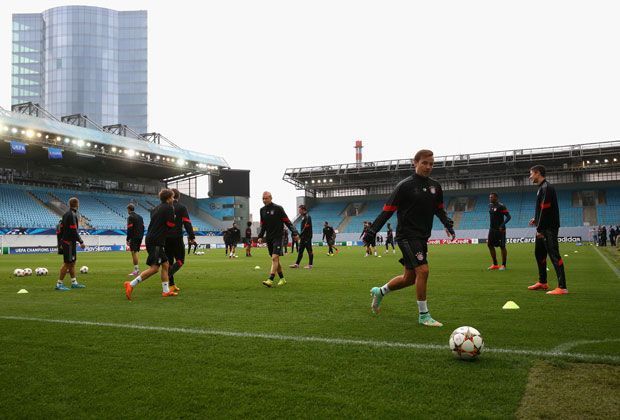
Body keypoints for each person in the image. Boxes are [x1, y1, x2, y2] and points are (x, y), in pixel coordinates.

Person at [367, 149, 455, 327]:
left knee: (409, 278)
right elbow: (387, 211)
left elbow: (438, 208)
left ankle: (380, 291)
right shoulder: (404, 186)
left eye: (431, 164)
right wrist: (372, 231)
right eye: (425, 163)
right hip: (407, 236)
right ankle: (424, 315)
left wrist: (448, 224)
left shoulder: (435, 186)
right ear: (415, 163)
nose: (428, 167)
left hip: (422, 237)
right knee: (423, 271)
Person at [124, 189, 177, 300]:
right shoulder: (168, 208)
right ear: (168, 198)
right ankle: (131, 284)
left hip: (152, 238)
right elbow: (171, 224)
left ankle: (166, 291)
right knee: (154, 268)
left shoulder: (156, 208)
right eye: (172, 197)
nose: (173, 199)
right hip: (156, 241)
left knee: (165, 264)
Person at [527, 165, 568, 295]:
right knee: (539, 254)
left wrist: (539, 227)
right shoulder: (541, 188)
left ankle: (562, 287)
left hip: (548, 228)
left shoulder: (547, 187)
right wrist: (536, 218)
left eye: (531, 174)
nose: (530, 176)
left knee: (554, 255)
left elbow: (545, 208)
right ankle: (543, 282)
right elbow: (543, 209)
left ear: (538, 173)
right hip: (542, 226)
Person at [257, 191, 299, 287]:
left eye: (266, 198)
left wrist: (294, 232)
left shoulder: (278, 208)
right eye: (263, 198)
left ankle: (270, 279)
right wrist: (260, 236)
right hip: (269, 238)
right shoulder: (262, 210)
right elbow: (263, 225)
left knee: (274, 258)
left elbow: (287, 221)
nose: (264, 200)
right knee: (276, 260)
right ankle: (282, 279)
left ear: (271, 198)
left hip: (278, 237)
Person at [165, 188, 196, 292]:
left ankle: (171, 284)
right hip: (177, 238)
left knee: (169, 261)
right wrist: (192, 237)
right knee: (180, 261)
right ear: (178, 196)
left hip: (165, 238)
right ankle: (167, 275)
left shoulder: (164, 207)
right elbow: (187, 222)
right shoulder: (182, 207)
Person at [55, 197, 87, 291]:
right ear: (77, 205)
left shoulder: (65, 215)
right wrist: (81, 241)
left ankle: (74, 282)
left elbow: (61, 228)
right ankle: (59, 284)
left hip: (69, 242)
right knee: (67, 263)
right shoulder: (72, 215)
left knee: (72, 263)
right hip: (68, 243)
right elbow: (74, 230)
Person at [487, 192, 511, 270]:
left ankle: (503, 265)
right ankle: (495, 264)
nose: (490, 198)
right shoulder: (490, 205)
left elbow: (508, 217)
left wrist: (502, 225)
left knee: (502, 246)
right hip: (492, 229)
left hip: (500, 230)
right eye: (489, 197)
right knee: (490, 245)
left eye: (491, 197)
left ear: (496, 198)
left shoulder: (501, 206)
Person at [290, 205, 314, 269]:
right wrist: (300, 236)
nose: (299, 211)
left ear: (303, 210)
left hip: (307, 237)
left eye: (300, 210)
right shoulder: (303, 217)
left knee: (309, 250)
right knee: (300, 251)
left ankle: (310, 265)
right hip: (303, 237)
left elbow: (305, 228)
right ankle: (297, 264)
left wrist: (299, 236)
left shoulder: (308, 217)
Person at [126, 204, 145, 276]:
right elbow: (143, 227)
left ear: (128, 209)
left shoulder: (130, 217)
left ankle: (136, 270)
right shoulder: (140, 217)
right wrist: (141, 236)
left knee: (134, 253)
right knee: (136, 252)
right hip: (140, 236)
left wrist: (128, 239)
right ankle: (136, 270)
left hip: (134, 237)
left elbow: (130, 228)